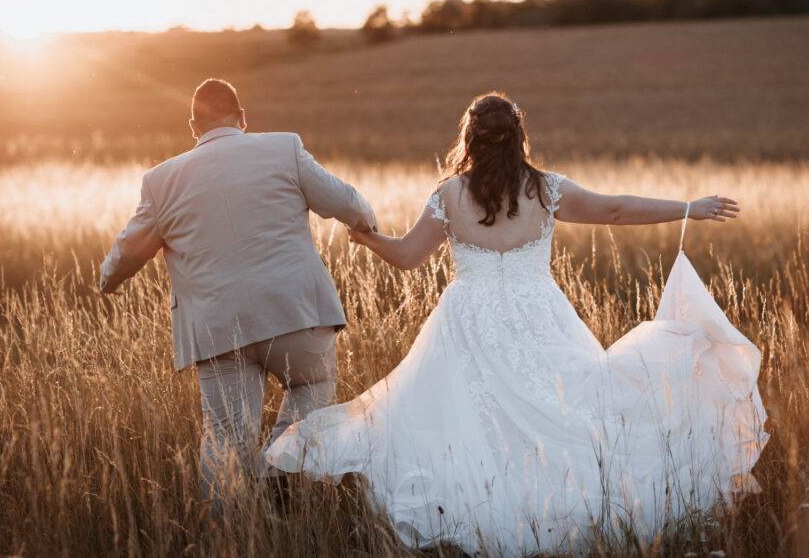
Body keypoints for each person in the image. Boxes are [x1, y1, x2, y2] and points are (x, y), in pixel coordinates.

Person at [266, 91, 768, 555]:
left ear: (469, 138)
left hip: (469, 321)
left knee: (472, 423)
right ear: (520, 136)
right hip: (539, 315)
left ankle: (485, 510)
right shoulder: (547, 190)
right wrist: (687, 208)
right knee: (565, 408)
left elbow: (407, 257)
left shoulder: (450, 194)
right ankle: (555, 510)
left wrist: (368, 237)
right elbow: (614, 210)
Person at [99, 78, 376, 498]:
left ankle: (228, 533)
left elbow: (128, 252)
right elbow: (347, 202)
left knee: (226, 443)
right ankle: (278, 469)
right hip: (295, 314)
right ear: (242, 117)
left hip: (218, 332)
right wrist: (366, 224)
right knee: (314, 386)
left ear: (194, 126)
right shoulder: (284, 148)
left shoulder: (162, 181)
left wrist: (108, 281)